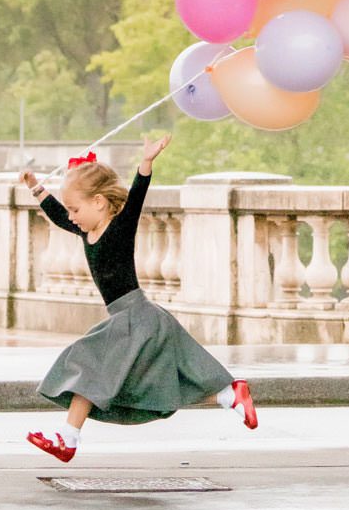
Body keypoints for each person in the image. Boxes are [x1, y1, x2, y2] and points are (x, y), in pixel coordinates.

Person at [21, 132, 257, 461]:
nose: (71, 215)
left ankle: (69, 438)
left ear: (99, 202)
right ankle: (231, 395)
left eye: (76, 208)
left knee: (87, 362)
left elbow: (136, 199)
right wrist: (35, 187)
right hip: (127, 318)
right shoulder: (86, 228)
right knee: (149, 382)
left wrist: (145, 163)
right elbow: (59, 216)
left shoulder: (118, 228)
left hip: (136, 317)